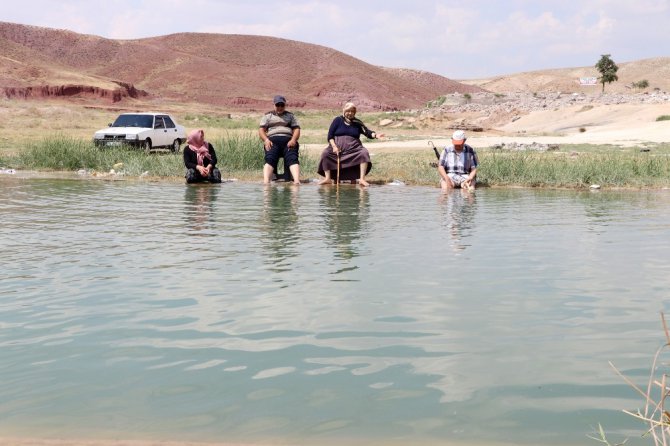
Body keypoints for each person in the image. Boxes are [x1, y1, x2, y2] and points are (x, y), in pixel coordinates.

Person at [317, 102, 383, 187]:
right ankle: (328, 178)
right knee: (325, 154)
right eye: (348, 111)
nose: (350, 113)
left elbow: (367, 132)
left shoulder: (357, 123)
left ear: (354, 112)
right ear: (344, 111)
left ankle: (362, 179)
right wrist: (334, 146)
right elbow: (330, 136)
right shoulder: (337, 120)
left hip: (354, 148)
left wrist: (376, 135)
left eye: (352, 111)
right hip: (337, 147)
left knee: (364, 153)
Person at [259, 95, 301, 184]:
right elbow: (261, 130)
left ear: (285, 105)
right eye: (278, 105)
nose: (280, 107)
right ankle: (266, 182)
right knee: (270, 158)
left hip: (288, 141)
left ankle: (297, 181)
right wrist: (266, 140)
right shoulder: (267, 116)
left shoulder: (290, 116)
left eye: (282, 105)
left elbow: (297, 129)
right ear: (274, 105)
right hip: (272, 141)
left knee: (292, 158)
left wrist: (293, 140)